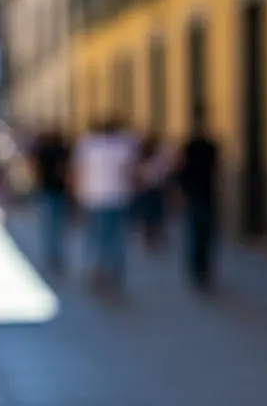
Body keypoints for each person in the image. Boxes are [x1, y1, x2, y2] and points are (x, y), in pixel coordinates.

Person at [70, 117, 137, 292]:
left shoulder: (88, 146)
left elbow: (79, 171)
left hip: (94, 197)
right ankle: (114, 269)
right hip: (117, 196)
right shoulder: (123, 146)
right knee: (116, 236)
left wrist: (78, 194)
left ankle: (97, 269)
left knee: (96, 236)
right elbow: (130, 172)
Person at [176, 104, 221, 291]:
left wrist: (181, 191)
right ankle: (202, 268)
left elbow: (181, 170)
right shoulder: (211, 146)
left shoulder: (190, 146)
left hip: (196, 193)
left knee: (196, 232)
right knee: (204, 233)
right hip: (205, 193)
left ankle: (198, 268)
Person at [30, 130, 70, 272]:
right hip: (54, 190)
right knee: (54, 224)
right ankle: (53, 254)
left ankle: (53, 254)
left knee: (51, 223)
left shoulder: (49, 150)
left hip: (51, 190)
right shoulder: (56, 150)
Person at [133, 131, 170, 253]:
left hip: (149, 190)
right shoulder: (154, 159)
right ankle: (151, 238)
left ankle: (150, 238)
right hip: (152, 190)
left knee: (149, 216)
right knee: (153, 215)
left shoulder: (147, 159)